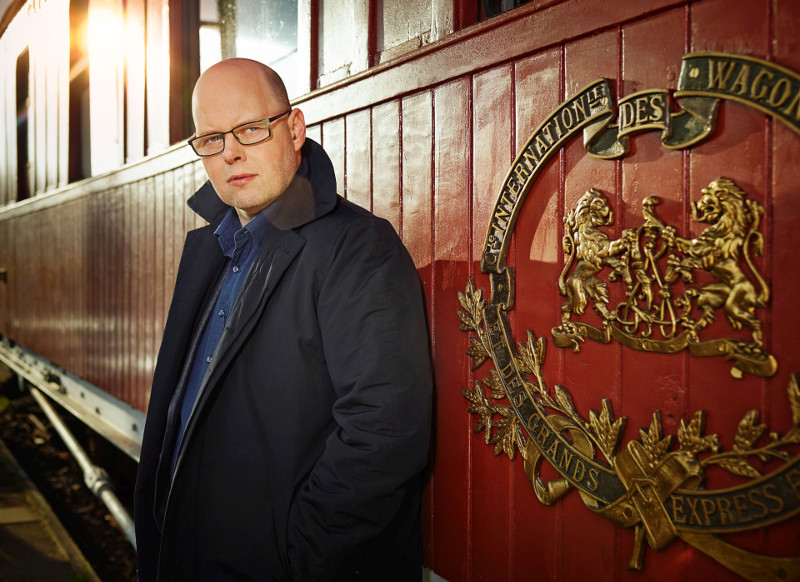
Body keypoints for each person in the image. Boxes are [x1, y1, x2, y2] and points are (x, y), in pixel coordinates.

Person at [134, 58, 433, 582]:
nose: (231, 152)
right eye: (211, 139)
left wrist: (297, 562)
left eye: (251, 128)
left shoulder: (358, 248)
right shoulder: (213, 249)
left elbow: (384, 432)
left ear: (294, 129)